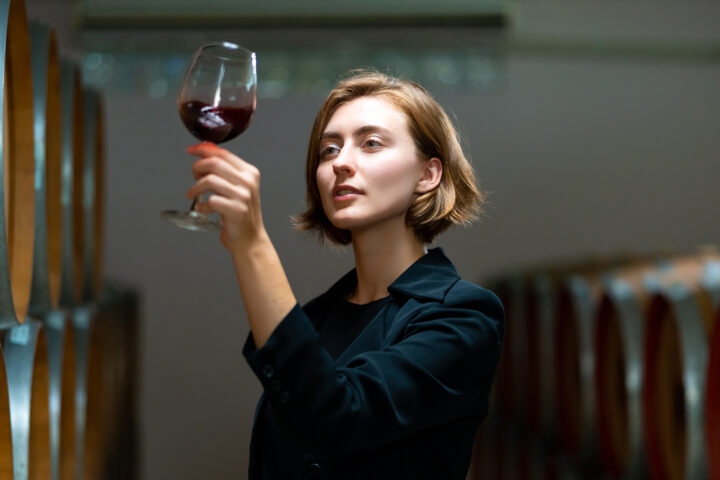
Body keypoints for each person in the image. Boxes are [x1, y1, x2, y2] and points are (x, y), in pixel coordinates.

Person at [185, 69, 505, 479]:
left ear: (428, 175)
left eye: (371, 143)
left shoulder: (464, 316)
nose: (341, 163)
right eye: (328, 150)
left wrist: (252, 245)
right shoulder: (317, 317)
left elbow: (334, 416)